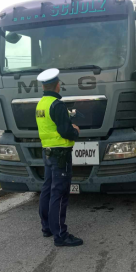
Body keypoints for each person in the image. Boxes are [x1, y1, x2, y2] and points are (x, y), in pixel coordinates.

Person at [36, 68, 83, 247]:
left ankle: (46, 227)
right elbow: (65, 131)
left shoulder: (41, 103)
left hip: (47, 151)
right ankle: (60, 235)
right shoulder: (57, 105)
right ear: (57, 85)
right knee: (60, 193)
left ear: (43, 86)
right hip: (61, 153)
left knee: (47, 189)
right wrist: (75, 131)